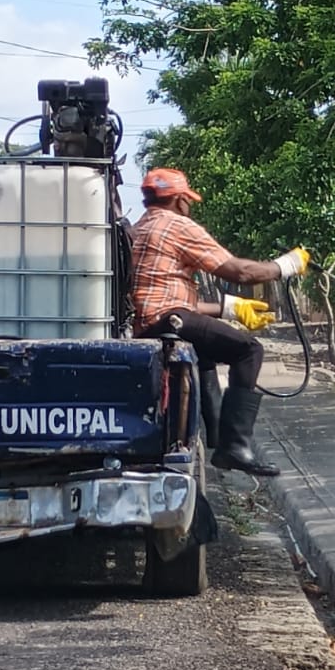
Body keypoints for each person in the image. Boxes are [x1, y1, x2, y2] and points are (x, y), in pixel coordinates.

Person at [127, 167, 309, 477]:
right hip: (167, 319)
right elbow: (240, 272)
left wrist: (229, 308)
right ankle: (234, 447)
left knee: (207, 351)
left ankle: (215, 437)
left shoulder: (139, 227)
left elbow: (165, 291)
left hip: (151, 321)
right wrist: (286, 265)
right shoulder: (178, 225)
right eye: (188, 200)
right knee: (249, 350)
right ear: (180, 199)